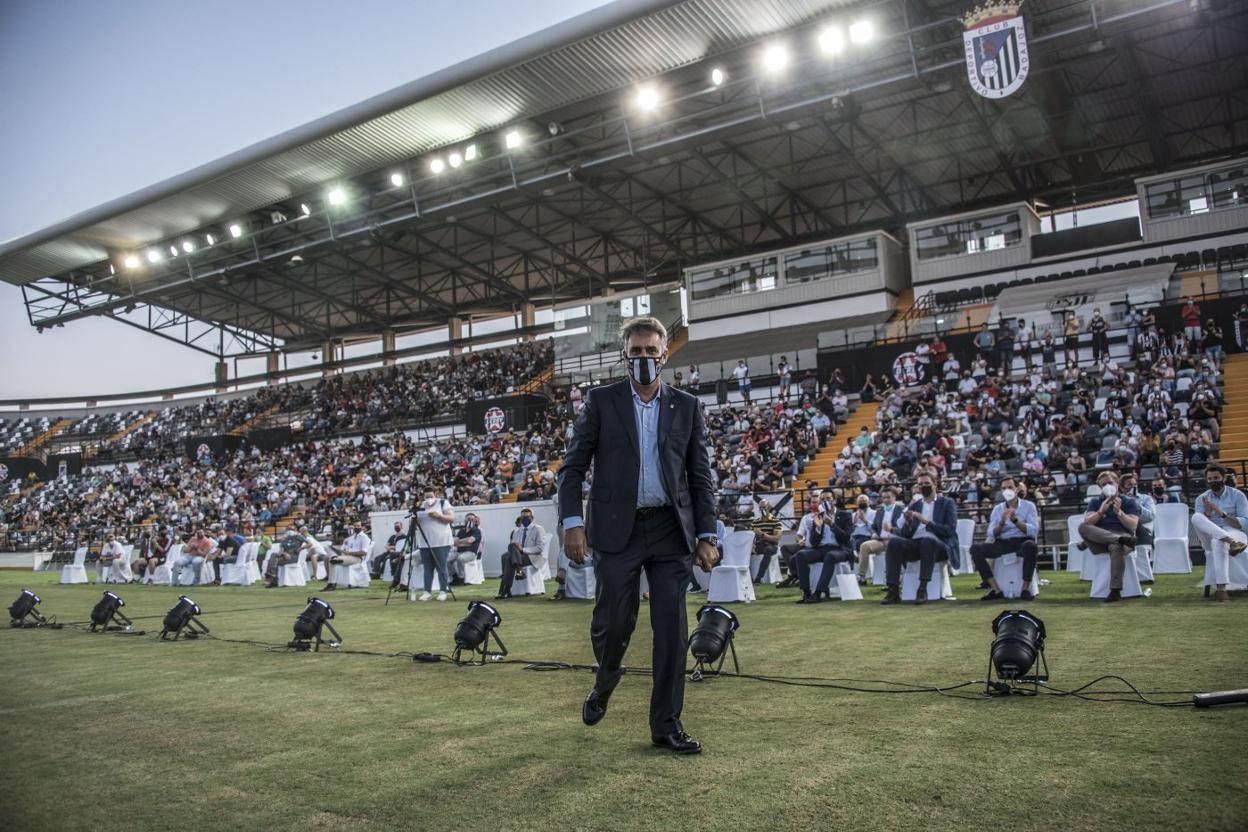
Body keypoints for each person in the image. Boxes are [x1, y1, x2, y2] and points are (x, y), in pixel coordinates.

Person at [558, 315, 718, 755]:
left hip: (670, 530)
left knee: (671, 628)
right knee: (612, 625)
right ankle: (606, 679)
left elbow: (699, 476)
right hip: (615, 530)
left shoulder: (685, 406)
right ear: (624, 356)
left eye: (652, 351)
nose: (644, 358)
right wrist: (572, 523)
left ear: (664, 354)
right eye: (637, 352)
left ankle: (666, 724)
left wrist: (707, 534)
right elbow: (572, 468)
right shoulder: (601, 401)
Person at [881, 470, 960, 605]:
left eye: (927, 483)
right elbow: (906, 535)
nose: (923, 487)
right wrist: (908, 524)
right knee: (894, 542)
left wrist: (927, 522)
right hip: (916, 544)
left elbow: (950, 530)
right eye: (920, 484)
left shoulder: (947, 503)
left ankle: (922, 588)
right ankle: (893, 590)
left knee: (927, 541)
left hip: (939, 545)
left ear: (935, 484)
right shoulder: (915, 505)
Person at [969, 476, 1039, 600]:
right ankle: (995, 589)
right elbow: (991, 533)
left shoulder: (1029, 506)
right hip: (1003, 543)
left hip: (1021, 542)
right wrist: (1001, 523)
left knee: (1031, 546)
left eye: (1010, 487)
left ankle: (1025, 589)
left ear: (1017, 489)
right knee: (975, 549)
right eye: (1004, 488)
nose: (1007, 490)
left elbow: (1033, 531)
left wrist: (1015, 521)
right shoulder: (998, 509)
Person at [1077, 471, 1140, 602]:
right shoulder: (1095, 501)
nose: (1107, 486)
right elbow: (1087, 522)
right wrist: (1100, 512)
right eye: (1104, 484)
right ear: (1100, 488)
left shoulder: (1129, 502)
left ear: (1117, 484)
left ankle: (1115, 591)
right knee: (1083, 526)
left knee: (1116, 547)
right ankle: (1119, 539)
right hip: (1103, 540)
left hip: (1123, 535)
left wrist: (1120, 513)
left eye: (1110, 483)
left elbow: (1133, 526)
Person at [1190, 465, 1248, 602]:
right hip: (1208, 536)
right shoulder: (1201, 498)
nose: (1213, 481)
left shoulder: (1238, 495)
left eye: (1216, 478)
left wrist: (1221, 513)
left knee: (1218, 542)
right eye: (1210, 479)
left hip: (1235, 533)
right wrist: (1208, 513)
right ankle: (1231, 542)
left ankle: (1221, 588)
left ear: (1224, 478)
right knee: (1195, 517)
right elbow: (1202, 524)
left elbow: (1244, 523)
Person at [792, 498, 853, 603]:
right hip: (821, 548)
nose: (826, 501)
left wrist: (832, 524)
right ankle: (806, 593)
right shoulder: (818, 516)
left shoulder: (845, 515)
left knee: (830, 556)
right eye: (823, 500)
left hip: (840, 549)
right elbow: (812, 541)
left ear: (834, 501)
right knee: (800, 555)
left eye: (828, 499)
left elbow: (846, 538)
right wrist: (818, 528)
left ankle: (818, 593)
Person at [497, 507, 549, 598]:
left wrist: (523, 550)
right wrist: (516, 547)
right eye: (523, 517)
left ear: (532, 518)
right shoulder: (517, 531)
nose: (525, 519)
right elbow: (513, 547)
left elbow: (540, 548)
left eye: (527, 517)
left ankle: (506, 589)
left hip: (532, 557)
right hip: (518, 557)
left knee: (508, 557)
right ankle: (519, 570)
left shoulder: (538, 529)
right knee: (507, 554)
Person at [414, 488, 455, 601]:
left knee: (441, 566)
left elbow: (451, 518)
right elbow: (415, 523)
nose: (429, 499)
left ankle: (443, 590)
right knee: (428, 568)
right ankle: (427, 591)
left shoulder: (443, 503)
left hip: (441, 541)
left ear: (435, 495)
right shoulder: (421, 505)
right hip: (425, 542)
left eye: (431, 496)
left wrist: (438, 516)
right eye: (426, 496)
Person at [857, 487, 903, 584]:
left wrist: (891, 531)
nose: (885, 500)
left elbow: (903, 530)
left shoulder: (901, 510)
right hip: (880, 540)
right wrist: (873, 533)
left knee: (892, 546)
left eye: (888, 497)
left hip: (894, 540)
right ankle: (861, 577)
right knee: (864, 546)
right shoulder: (880, 511)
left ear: (894, 497)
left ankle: (892, 579)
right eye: (883, 498)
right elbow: (873, 526)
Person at [324, 522, 371, 590]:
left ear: (362, 527)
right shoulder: (351, 538)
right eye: (355, 526)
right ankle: (331, 582)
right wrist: (344, 549)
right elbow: (344, 548)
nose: (356, 527)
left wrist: (351, 553)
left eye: (358, 526)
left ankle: (332, 583)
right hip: (348, 556)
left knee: (333, 559)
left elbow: (364, 552)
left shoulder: (364, 537)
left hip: (357, 558)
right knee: (330, 558)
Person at [750, 499, 781, 584]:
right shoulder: (756, 522)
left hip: (772, 546)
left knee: (768, 550)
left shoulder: (775, 521)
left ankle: (759, 578)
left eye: (764, 507)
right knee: (745, 550)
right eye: (760, 508)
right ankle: (748, 578)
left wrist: (762, 534)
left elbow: (776, 539)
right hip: (759, 545)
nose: (762, 510)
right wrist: (752, 544)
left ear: (769, 508)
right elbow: (752, 536)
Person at [449, 513, 483, 585]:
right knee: (445, 560)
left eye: (472, 519)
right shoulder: (461, 531)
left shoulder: (476, 531)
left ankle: (461, 577)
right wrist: (465, 542)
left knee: (460, 558)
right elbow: (455, 543)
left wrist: (461, 542)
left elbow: (470, 541)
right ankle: (455, 575)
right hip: (459, 551)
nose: (470, 521)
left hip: (471, 553)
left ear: (474, 521)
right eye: (468, 519)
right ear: (465, 521)